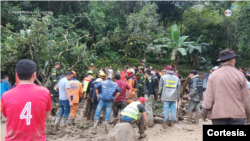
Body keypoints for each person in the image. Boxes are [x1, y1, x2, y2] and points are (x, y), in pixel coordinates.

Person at [2, 59, 52, 140]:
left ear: (17, 75)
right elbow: (46, 116)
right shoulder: (45, 92)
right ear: (34, 75)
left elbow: (7, 115)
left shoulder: (5, 95)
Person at [201, 49, 250, 125]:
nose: (235, 62)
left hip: (218, 115)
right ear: (231, 61)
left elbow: (209, 97)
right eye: (235, 60)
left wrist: (204, 111)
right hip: (237, 114)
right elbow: (246, 97)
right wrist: (248, 114)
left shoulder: (213, 75)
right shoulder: (240, 75)